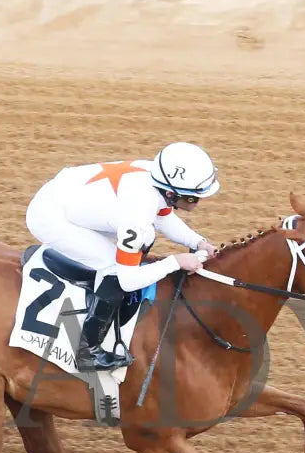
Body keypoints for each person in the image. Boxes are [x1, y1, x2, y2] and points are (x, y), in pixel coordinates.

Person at [25, 141, 219, 371]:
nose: (198, 201)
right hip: (50, 216)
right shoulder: (136, 219)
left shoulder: (156, 177)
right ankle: (88, 351)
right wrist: (176, 261)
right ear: (171, 193)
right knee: (111, 266)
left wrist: (197, 241)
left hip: (68, 195)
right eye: (194, 197)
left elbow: (163, 216)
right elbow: (127, 280)